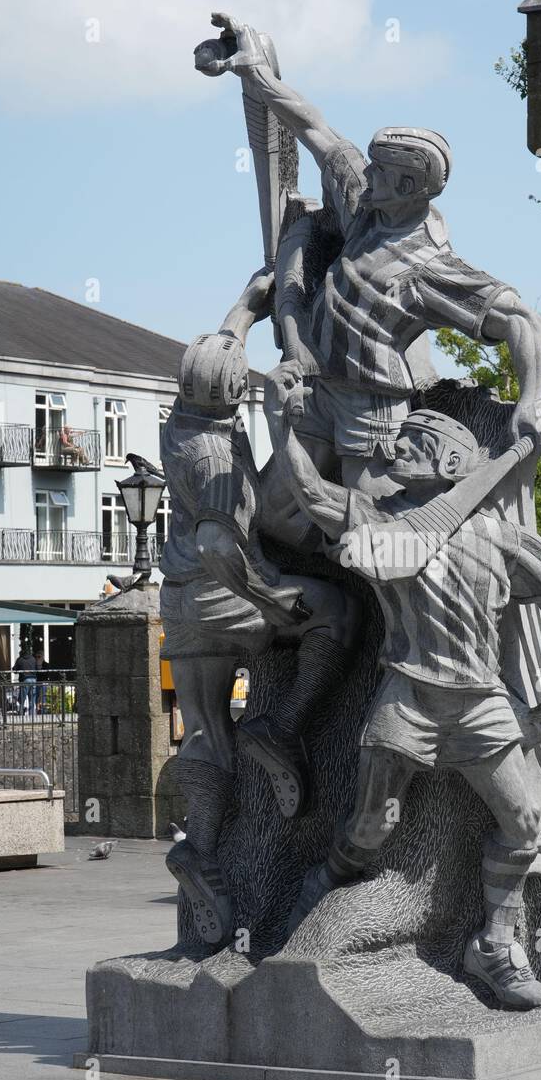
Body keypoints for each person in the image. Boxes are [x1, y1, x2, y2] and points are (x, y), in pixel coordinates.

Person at [265, 364, 541, 1010]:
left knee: (521, 823)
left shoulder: (501, 537)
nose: (392, 450)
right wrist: (282, 421)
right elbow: (308, 491)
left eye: (410, 442)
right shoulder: (380, 521)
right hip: (407, 696)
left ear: (450, 460)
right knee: (370, 825)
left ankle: (494, 944)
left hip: (480, 702)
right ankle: (317, 892)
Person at [195, 15, 541, 510]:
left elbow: (524, 321)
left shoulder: (430, 266)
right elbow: (313, 128)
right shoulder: (366, 201)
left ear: (408, 187)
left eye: (378, 169)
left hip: (372, 408)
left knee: (376, 520)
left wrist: (533, 398)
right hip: (318, 387)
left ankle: (451, 553)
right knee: (275, 511)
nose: (366, 173)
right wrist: (255, 74)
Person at [159, 269, 360, 949]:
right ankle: (284, 725)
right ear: (236, 394)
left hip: (180, 607)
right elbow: (221, 541)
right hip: (227, 595)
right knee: (331, 611)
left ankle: (200, 845)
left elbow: (219, 350)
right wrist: (266, 594)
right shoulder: (215, 458)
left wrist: (249, 304)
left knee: (204, 731)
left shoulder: (182, 421)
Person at [13, 644, 38, 716]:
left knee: (22, 699)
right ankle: (31, 716)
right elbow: (37, 668)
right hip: (33, 679)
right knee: (32, 698)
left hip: (25, 679)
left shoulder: (20, 659)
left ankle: (21, 714)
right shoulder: (33, 659)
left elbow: (15, 670)